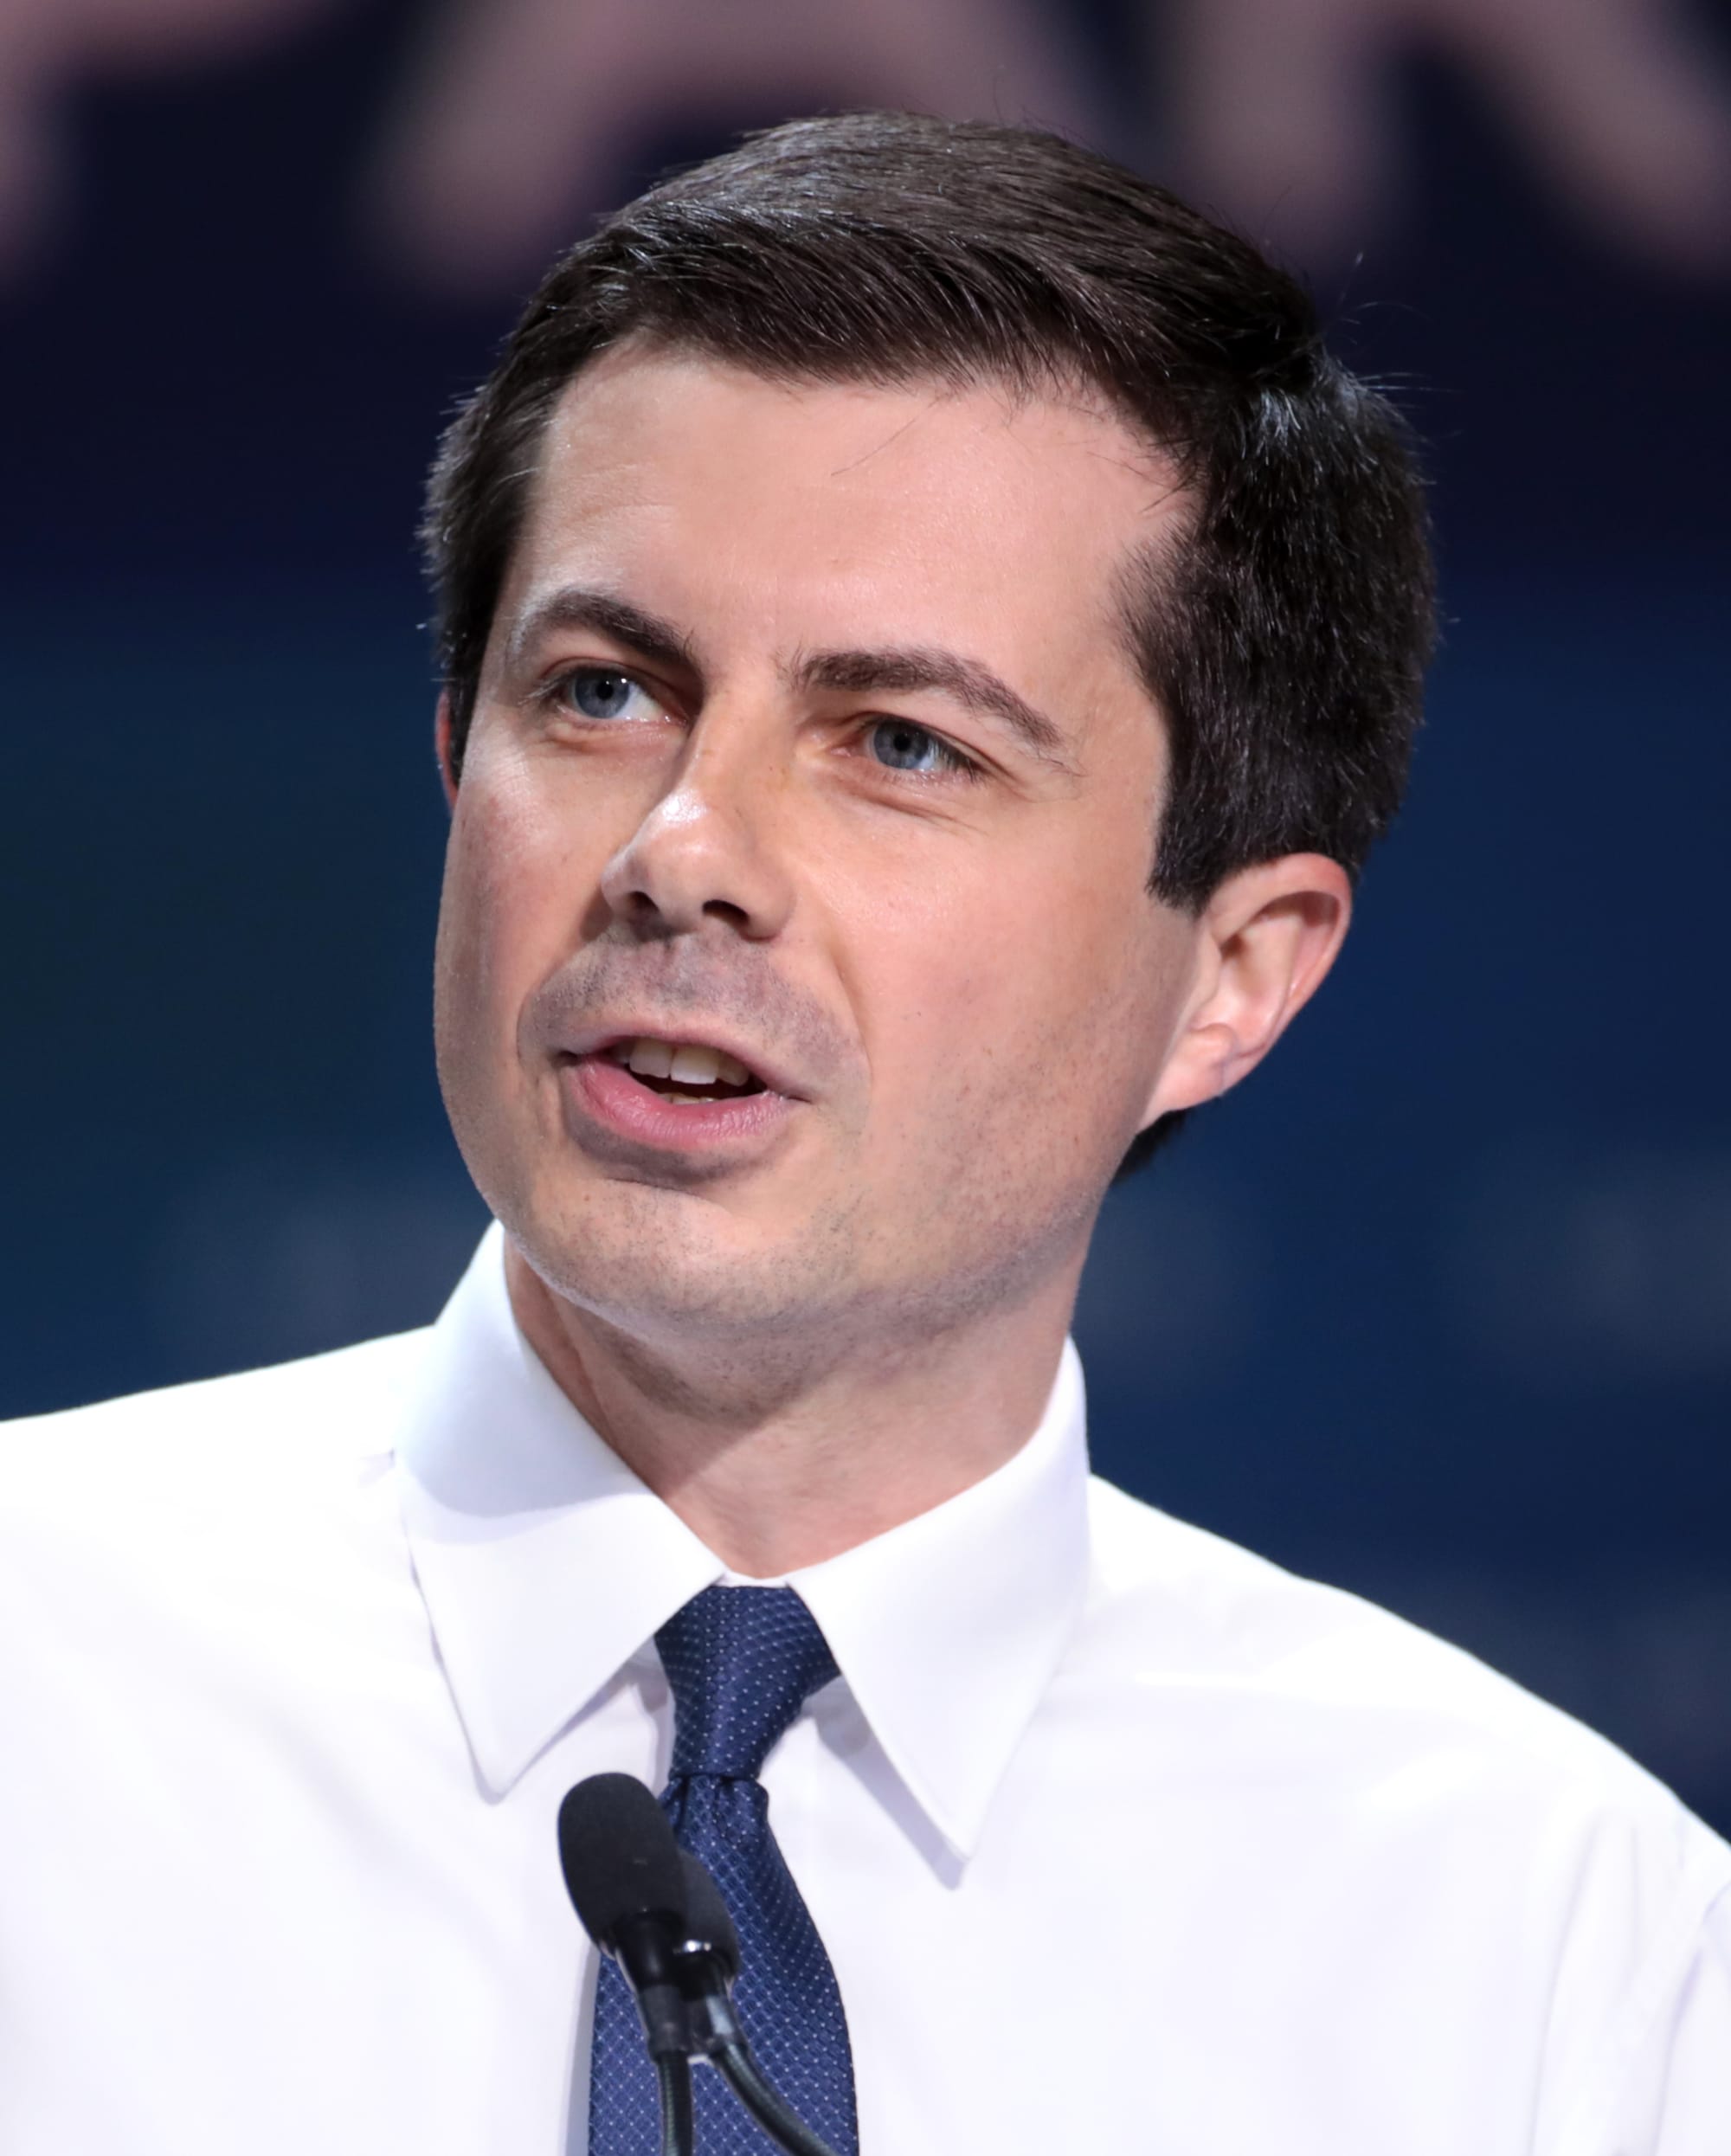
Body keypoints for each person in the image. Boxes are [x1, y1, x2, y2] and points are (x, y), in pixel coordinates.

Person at [1, 112, 1724, 2156]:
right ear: (457, 757)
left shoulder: (1544, 1952)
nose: (682, 853)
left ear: (1235, 974)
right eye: (605, 693)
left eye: (900, 744)